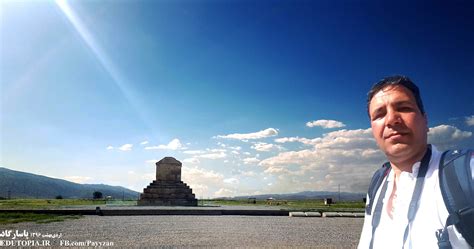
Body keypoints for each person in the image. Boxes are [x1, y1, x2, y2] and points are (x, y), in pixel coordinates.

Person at [358, 75, 472, 249]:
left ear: (425, 120)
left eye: (403, 108)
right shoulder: (378, 182)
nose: (391, 120)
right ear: (373, 129)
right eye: (379, 114)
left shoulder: (465, 174)